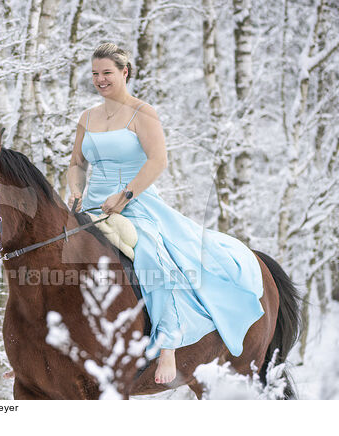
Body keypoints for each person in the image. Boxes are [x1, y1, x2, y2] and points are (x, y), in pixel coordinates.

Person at [66, 43, 265, 384]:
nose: (100, 80)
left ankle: (168, 346)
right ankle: (43, 345)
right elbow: (75, 164)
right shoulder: (87, 118)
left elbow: (158, 161)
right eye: (96, 73)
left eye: (107, 73)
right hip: (91, 204)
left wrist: (125, 195)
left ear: (124, 72)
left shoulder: (142, 113)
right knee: (51, 257)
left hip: (135, 202)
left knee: (148, 255)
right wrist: (74, 189)